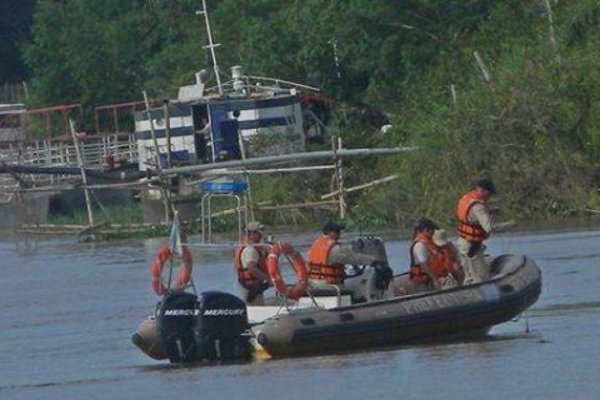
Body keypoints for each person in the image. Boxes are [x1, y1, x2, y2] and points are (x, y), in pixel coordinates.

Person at [455, 178, 516, 284]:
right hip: (471, 246)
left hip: (462, 243)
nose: (489, 197)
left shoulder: (467, 198)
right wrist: (509, 225)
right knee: (480, 277)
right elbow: (489, 228)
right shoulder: (478, 207)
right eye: (489, 193)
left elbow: (472, 213)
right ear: (483, 191)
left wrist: (490, 210)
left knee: (469, 276)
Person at [307, 221, 391, 296]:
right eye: (337, 232)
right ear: (331, 232)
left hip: (314, 283)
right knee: (354, 293)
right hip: (328, 285)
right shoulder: (334, 249)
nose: (339, 235)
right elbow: (354, 258)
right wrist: (374, 260)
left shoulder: (316, 245)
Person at [234, 221, 272, 305]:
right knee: (256, 309)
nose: (261, 235)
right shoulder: (250, 250)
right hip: (252, 289)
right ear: (251, 234)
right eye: (259, 233)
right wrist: (268, 279)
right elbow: (252, 268)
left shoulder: (250, 247)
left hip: (250, 286)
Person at [408, 218, 441, 291]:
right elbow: (423, 265)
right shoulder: (420, 245)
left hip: (428, 279)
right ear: (426, 230)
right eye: (432, 230)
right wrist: (434, 279)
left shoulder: (426, 243)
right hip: (423, 282)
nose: (434, 233)